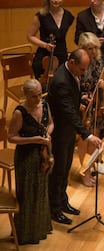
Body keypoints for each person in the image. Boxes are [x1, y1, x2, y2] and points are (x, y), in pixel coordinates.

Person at [47, 49, 102, 225]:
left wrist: (81, 99)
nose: (84, 72)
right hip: (60, 132)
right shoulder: (61, 80)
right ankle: (54, 209)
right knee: (58, 171)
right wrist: (87, 135)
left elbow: (71, 101)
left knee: (66, 168)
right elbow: (69, 112)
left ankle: (62, 202)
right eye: (82, 69)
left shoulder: (71, 73)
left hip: (68, 130)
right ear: (72, 62)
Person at [7, 79, 53, 244]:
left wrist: (47, 134)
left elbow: (51, 124)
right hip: (26, 157)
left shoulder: (44, 105)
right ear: (25, 95)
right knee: (27, 193)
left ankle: (40, 228)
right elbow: (11, 137)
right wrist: (34, 139)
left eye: (40, 94)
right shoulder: (19, 113)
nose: (38, 98)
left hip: (43, 155)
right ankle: (26, 233)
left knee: (41, 191)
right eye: (34, 96)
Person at [77, 32, 104, 187]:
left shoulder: (99, 62)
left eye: (95, 48)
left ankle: (91, 166)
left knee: (96, 137)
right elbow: (75, 87)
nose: (93, 51)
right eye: (89, 48)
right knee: (84, 140)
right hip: (83, 106)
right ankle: (84, 171)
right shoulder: (78, 63)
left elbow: (102, 81)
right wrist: (84, 96)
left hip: (98, 104)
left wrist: (103, 84)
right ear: (82, 48)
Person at [27, 0, 74, 84]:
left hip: (61, 54)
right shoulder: (41, 16)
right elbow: (30, 36)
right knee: (42, 83)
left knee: (61, 83)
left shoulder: (68, 16)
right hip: (44, 54)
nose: (56, 0)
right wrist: (45, 45)